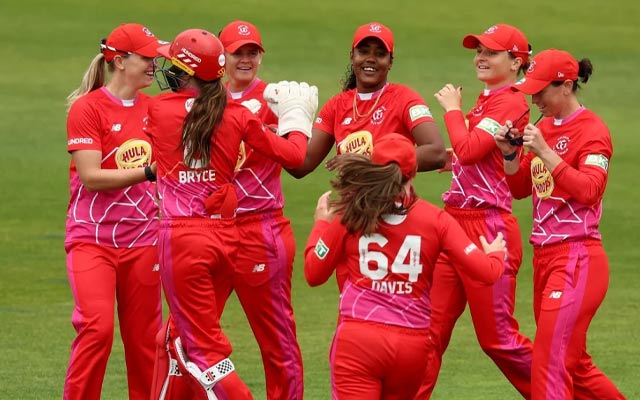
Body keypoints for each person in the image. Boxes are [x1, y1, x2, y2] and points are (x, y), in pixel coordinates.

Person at [146, 28, 316, 399]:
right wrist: (297, 122)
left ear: (188, 71)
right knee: (186, 343)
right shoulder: (237, 114)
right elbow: (295, 156)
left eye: (172, 64)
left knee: (202, 349)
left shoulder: (157, 109)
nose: (165, 69)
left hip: (183, 238)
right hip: (224, 235)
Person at [303, 133, 508, 399]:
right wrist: (495, 255)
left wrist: (321, 224)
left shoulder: (350, 213)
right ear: (414, 173)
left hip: (358, 341)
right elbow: (487, 273)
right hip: (412, 345)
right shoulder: (436, 220)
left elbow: (313, 272)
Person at [495, 48, 626, 400]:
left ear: (566, 87)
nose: (535, 99)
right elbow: (521, 188)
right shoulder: (542, 128)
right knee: (575, 366)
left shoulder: (593, 130)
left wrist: (546, 153)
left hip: (577, 259)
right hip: (546, 260)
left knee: (549, 362)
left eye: (541, 91)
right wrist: (510, 155)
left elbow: (590, 190)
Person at [420, 24, 535, 398]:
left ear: (516, 62)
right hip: (453, 224)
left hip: (489, 230)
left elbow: (470, 148)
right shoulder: (488, 101)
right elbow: (473, 156)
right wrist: (455, 161)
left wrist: (452, 112)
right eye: (478, 50)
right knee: (429, 333)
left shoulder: (511, 101)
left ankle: (559, 392)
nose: (480, 58)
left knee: (498, 339)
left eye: (491, 52)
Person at [63, 23, 163, 400]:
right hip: (93, 241)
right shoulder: (87, 109)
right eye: (147, 57)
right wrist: (150, 171)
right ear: (120, 62)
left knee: (144, 341)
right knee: (97, 329)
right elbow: (90, 176)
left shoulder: (156, 110)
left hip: (144, 241)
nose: (155, 64)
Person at [215, 20, 304, 400]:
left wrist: (296, 120)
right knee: (181, 335)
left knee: (276, 341)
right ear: (222, 58)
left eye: (253, 53)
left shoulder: (277, 98)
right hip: (210, 230)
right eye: (238, 53)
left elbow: (298, 162)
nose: (246, 59)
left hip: (259, 228)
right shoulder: (207, 99)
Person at [288, 21, 446, 180]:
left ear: (390, 61)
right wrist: (274, 138)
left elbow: (436, 153)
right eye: (363, 52)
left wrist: (367, 162)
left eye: (380, 54)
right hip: (350, 204)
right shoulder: (336, 105)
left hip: (391, 203)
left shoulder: (405, 98)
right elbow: (302, 164)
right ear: (352, 56)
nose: (371, 59)